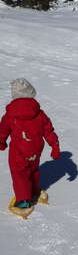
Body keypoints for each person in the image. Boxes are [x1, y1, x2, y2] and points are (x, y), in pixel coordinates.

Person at [0, 79, 60, 210]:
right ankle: (33, 190)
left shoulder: (10, 115)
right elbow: (48, 131)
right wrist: (55, 147)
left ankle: (23, 200)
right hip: (35, 150)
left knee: (19, 174)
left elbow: (3, 130)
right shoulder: (40, 114)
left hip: (18, 152)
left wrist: (1, 142)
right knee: (33, 170)